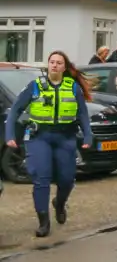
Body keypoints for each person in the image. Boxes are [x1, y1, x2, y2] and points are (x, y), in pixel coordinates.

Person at [3, 51, 94, 237]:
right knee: (41, 178)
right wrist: (9, 135)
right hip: (39, 137)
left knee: (67, 179)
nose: (54, 65)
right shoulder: (35, 86)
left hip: (65, 137)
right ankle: (43, 222)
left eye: (58, 62)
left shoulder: (73, 87)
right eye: (52, 62)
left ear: (64, 67)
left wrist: (87, 136)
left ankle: (59, 203)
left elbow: (83, 114)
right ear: (48, 65)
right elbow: (15, 110)